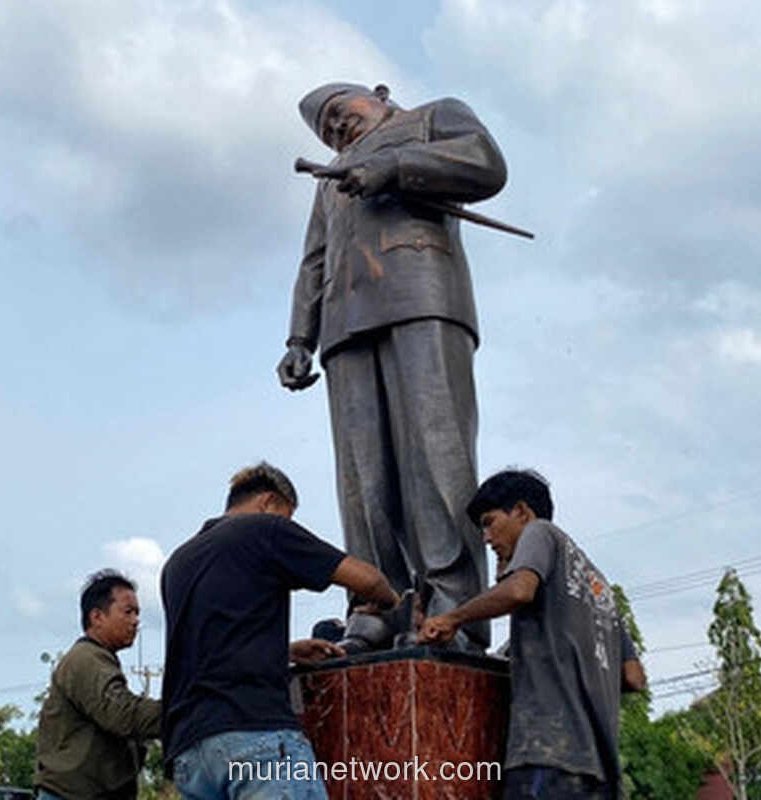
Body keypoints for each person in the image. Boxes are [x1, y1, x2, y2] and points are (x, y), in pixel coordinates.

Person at [276, 82, 508, 652]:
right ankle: (376, 606)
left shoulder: (433, 117)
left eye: (340, 112)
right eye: (326, 128)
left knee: (436, 455)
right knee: (363, 476)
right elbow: (314, 258)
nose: (335, 128)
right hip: (342, 323)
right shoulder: (329, 180)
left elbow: (485, 162)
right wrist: (299, 336)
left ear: (378, 95)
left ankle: (453, 605)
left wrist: (394, 168)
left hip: (422, 295)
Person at [160, 462, 401, 800]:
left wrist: (283, 651)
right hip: (253, 734)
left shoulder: (179, 562)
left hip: (190, 753)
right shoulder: (263, 529)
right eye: (286, 517)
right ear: (268, 503)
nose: (287, 526)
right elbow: (369, 579)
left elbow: (208, 642)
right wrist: (393, 601)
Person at [419, 470, 639, 799]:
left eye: (489, 522)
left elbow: (520, 590)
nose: (486, 537)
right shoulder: (600, 588)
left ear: (522, 512)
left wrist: (453, 617)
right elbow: (634, 677)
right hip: (600, 771)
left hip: (548, 755)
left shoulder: (540, 532)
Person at [36, 570, 162, 800]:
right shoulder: (86, 659)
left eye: (137, 613)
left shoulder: (97, 659)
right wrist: (185, 711)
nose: (136, 621)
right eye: (128, 612)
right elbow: (121, 714)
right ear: (97, 617)